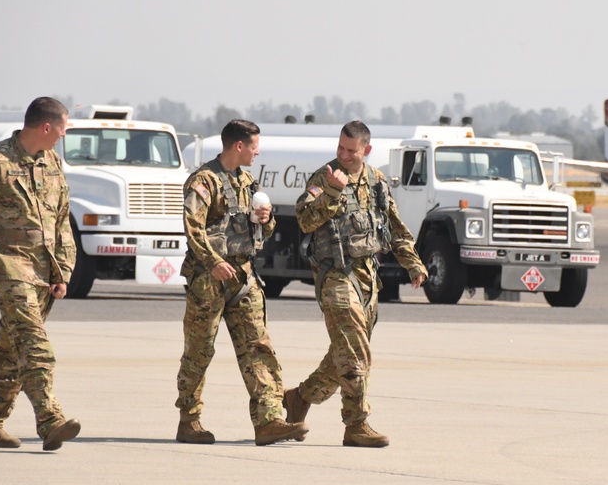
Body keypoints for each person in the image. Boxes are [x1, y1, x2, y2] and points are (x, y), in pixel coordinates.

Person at [0, 96, 81, 451]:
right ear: (47, 126)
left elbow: (62, 218)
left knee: (11, 350)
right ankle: (49, 419)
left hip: (43, 270)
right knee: (35, 346)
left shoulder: (52, 162)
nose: (65, 134)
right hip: (8, 266)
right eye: (64, 127)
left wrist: (63, 269)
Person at [287, 120, 427, 448]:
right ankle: (356, 424)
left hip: (367, 277)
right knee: (354, 350)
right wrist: (333, 191)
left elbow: (393, 225)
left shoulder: (377, 181)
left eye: (351, 150)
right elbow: (305, 220)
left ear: (367, 150)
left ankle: (299, 397)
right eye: (340, 148)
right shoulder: (324, 177)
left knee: (345, 355)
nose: (344, 155)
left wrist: (412, 262)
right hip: (335, 275)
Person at [175, 119, 307, 446]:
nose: (257, 151)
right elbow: (193, 228)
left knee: (258, 347)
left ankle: (269, 421)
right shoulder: (204, 181)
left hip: (244, 278)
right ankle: (189, 420)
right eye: (254, 146)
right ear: (238, 146)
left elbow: (262, 230)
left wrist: (267, 219)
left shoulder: (247, 181)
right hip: (208, 280)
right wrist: (213, 261)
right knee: (199, 350)